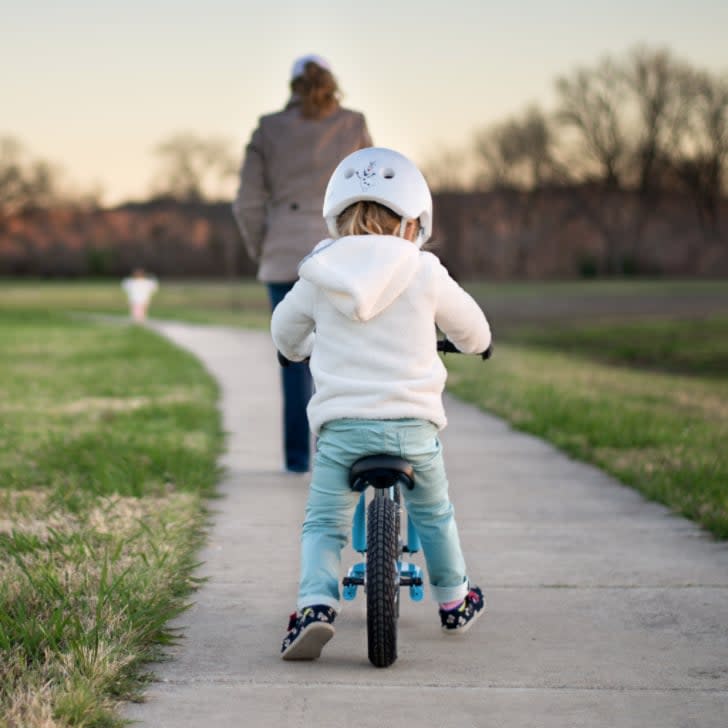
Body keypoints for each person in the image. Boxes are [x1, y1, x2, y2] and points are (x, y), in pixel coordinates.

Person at [271, 147, 492, 660]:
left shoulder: (319, 271)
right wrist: (479, 345)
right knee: (435, 513)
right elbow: (473, 329)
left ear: (336, 216)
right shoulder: (424, 269)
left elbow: (285, 332)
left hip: (343, 429)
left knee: (323, 524)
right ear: (415, 222)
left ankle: (315, 607)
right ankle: (455, 602)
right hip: (413, 429)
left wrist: (294, 351)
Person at [233, 54, 372, 474]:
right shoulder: (353, 124)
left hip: (284, 255)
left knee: (292, 360)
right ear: (332, 83)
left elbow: (247, 203)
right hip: (343, 254)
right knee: (350, 357)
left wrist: (264, 248)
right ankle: (343, 455)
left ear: (292, 86)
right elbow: (371, 188)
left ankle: (298, 461)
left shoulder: (269, 128)